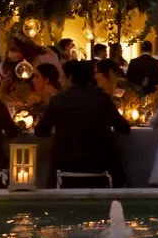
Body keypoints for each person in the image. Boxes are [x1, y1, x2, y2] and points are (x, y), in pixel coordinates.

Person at [40, 56, 131, 184]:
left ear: (70, 77)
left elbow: (41, 130)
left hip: (65, 162)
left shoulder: (58, 100)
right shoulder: (102, 98)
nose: (61, 81)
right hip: (99, 161)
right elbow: (123, 127)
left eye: (63, 77)